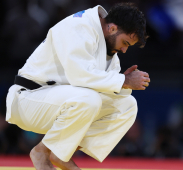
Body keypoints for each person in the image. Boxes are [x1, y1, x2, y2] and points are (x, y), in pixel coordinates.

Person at [5, 3, 149, 170]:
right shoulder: (79, 27)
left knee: (126, 105)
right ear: (112, 28)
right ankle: (43, 153)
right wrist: (123, 81)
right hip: (29, 97)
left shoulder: (107, 45)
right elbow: (80, 77)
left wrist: (121, 81)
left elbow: (104, 87)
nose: (124, 50)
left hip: (58, 102)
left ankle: (59, 152)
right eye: (125, 42)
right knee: (89, 99)